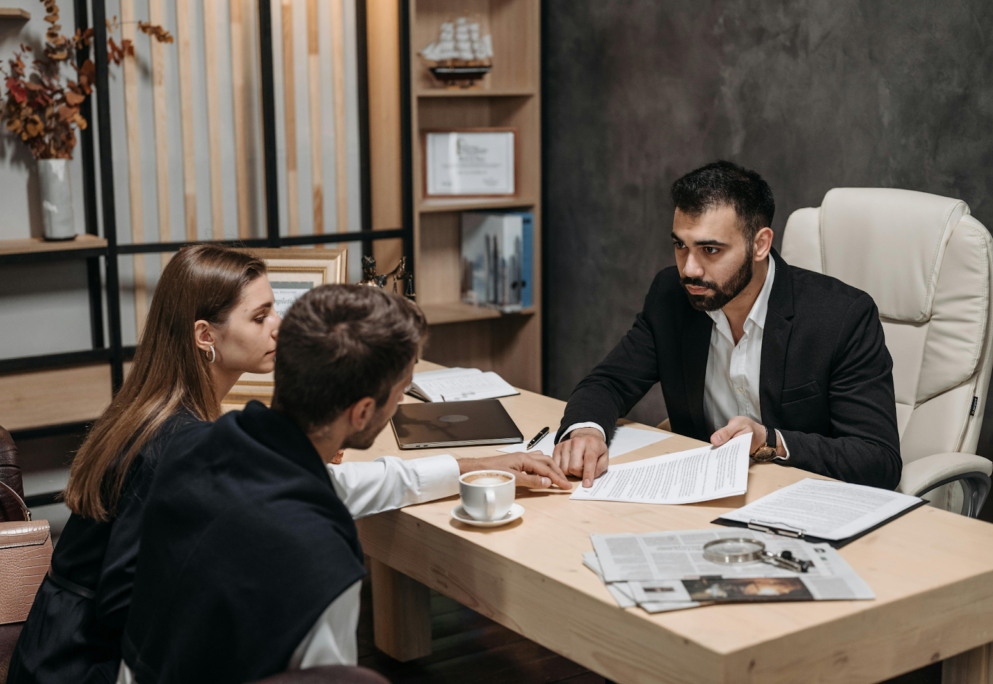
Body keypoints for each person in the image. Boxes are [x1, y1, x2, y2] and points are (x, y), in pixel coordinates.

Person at [116, 285, 569, 684]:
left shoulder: (197, 449)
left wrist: (480, 464)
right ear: (361, 412)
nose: (401, 404)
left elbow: (347, 483)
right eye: (401, 392)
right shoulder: (319, 557)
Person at [9, 245, 280, 684]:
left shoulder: (156, 408)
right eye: (260, 316)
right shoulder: (175, 437)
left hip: (57, 649)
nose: (277, 327)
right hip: (80, 666)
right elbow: (123, 599)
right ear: (205, 336)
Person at [553, 161, 901, 490]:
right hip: (705, 495)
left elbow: (877, 459)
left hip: (806, 501)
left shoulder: (842, 317)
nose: (689, 269)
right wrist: (586, 431)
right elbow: (609, 382)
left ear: (760, 245)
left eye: (710, 250)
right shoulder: (671, 297)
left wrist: (771, 441)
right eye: (680, 245)